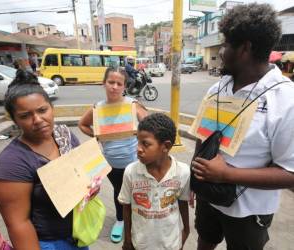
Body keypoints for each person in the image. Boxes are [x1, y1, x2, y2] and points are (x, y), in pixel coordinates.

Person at [190, 3, 294, 250]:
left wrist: (227, 175)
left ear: (245, 48)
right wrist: (194, 177)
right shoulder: (218, 88)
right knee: (205, 240)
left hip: (249, 211)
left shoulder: (285, 100)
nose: (221, 51)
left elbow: (290, 173)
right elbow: (202, 136)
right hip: (208, 196)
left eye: (225, 45)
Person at [0, 70, 97, 250]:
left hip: (78, 233)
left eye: (43, 110)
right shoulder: (11, 164)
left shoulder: (64, 134)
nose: (38, 120)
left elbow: (82, 173)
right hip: (48, 243)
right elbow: (19, 224)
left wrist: (90, 186)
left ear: (52, 107)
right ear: (15, 120)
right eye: (25, 116)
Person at [78, 67, 147, 243]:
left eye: (119, 83)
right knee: (119, 193)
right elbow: (82, 125)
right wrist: (98, 136)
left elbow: (150, 125)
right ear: (104, 83)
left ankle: (139, 220)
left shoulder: (132, 105)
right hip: (111, 165)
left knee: (137, 192)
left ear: (124, 86)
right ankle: (120, 220)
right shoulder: (98, 108)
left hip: (134, 162)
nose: (114, 86)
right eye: (111, 82)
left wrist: (143, 141)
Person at [118, 113, 190, 250]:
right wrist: (127, 240)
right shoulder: (131, 172)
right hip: (140, 243)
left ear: (166, 146)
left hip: (171, 243)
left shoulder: (182, 172)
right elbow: (126, 207)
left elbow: (183, 201)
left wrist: (186, 229)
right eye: (138, 142)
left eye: (145, 144)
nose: (138, 149)